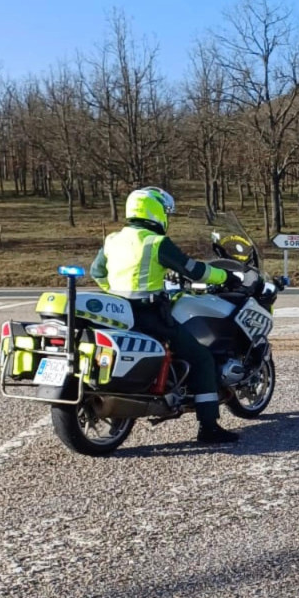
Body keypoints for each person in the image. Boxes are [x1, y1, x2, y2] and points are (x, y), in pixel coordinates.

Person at [90, 187, 240, 444]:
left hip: (118, 312)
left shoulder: (113, 239)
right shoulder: (155, 242)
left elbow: (97, 272)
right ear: (156, 211)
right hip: (150, 314)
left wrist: (116, 292)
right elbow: (193, 271)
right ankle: (209, 427)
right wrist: (226, 276)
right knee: (201, 357)